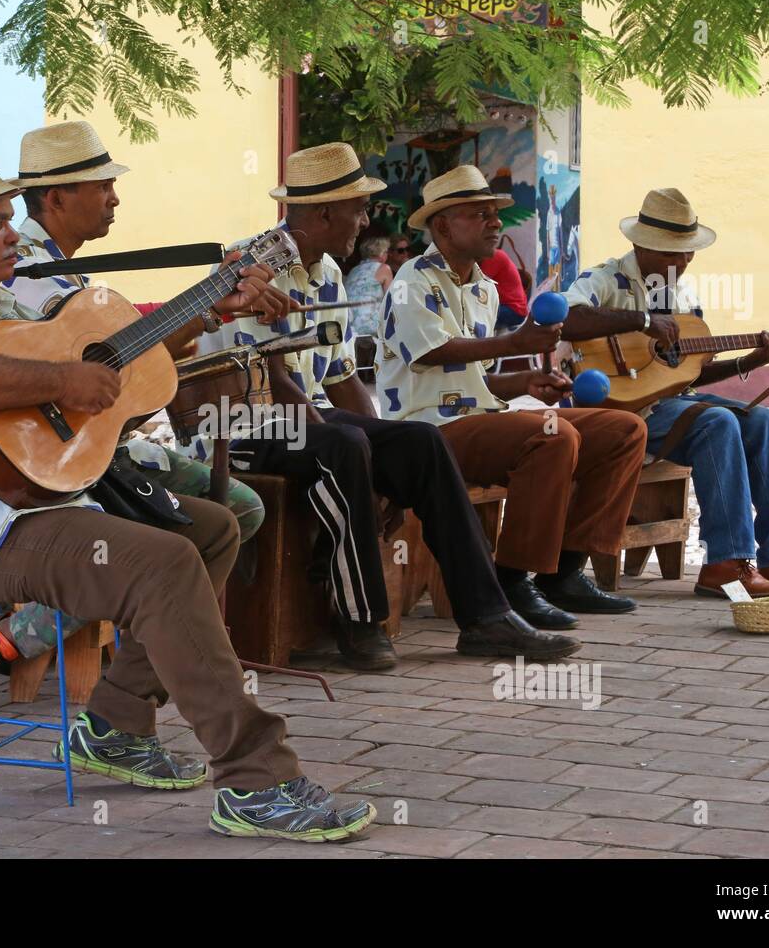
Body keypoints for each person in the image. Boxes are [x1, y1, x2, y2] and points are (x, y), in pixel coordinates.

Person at [0, 144, 375, 841]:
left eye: (9, 218)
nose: (12, 233)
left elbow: (114, 361)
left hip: (28, 503)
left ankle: (116, 721)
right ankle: (258, 783)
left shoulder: (2, 303)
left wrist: (204, 312)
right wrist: (60, 382)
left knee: (211, 529)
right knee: (158, 565)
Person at [198, 142, 581, 670]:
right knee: (342, 442)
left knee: (417, 442)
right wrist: (359, 451)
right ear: (325, 211)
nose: (365, 218)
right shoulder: (253, 263)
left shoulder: (329, 271)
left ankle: (485, 615)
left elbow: (342, 378)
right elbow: (267, 377)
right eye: (358, 208)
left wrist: (389, 459)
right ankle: (360, 621)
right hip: (238, 425)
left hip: (304, 419)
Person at [0, 120, 271, 665]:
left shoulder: (74, 274)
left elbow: (120, 357)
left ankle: (155, 645)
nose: (114, 198)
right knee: (193, 532)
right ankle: (19, 638)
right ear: (57, 197)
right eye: (102, 187)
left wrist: (210, 307)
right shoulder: (26, 273)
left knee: (241, 507)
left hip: (108, 450)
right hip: (56, 459)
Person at [377, 165, 646, 629]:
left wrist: (523, 384)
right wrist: (514, 345)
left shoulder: (484, 286)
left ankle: (564, 572)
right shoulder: (411, 280)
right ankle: (511, 579)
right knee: (550, 436)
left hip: (476, 418)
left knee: (624, 430)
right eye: (479, 214)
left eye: (494, 213)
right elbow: (434, 352)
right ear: (442, 225)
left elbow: (473, 378)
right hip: (425, 431)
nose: (495, 223)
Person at [560, 188, 769, 597]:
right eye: (669, 252)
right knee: (716, 422)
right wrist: (643, 321)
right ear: (640, 243)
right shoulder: (605, 279)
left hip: (670, 405)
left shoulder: (685, 298)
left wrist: (749, 362)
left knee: (762, 420)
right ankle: (725, 564)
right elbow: (566, 321)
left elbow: (685, 376)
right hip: (620, 413)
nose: (680, 263)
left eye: (687, 253)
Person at [342, 232, 392, 337]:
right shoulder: (384, 268)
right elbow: (391, 300)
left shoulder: (354, 270)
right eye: (386, 252)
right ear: (382, 254)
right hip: (371, 325)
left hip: (350, 325)